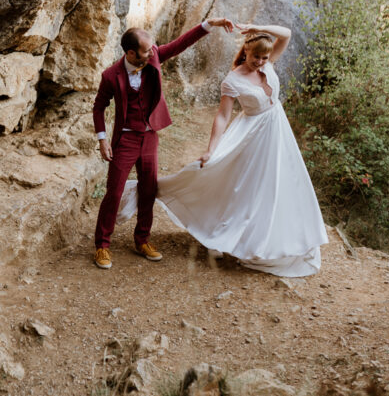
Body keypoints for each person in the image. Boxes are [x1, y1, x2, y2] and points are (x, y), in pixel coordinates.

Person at [117, 23, 329, 277]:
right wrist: (211, 150)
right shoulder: (233, 80)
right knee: (239, 185)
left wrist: (255, 28)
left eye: (264, 57)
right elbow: (222, 117)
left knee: (280, 184)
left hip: (278, 133)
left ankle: (280, 238)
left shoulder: (268, 63)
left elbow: (287, 33)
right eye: (255, 57)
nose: (260, 62)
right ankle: (150, 192)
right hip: (253, 135)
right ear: (245, 52)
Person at [92, 17, 235, 269]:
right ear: (130, 53)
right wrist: (103, 140)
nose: (152, 53)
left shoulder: (154, 56)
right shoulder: (110, 76)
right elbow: (99, 107)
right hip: (124, 139)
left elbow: (180, 44)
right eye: (146, 50)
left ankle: (142, 240)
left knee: (150, 189)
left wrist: (207, 25)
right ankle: (102, 245)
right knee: (114, 192)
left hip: (149, 137)